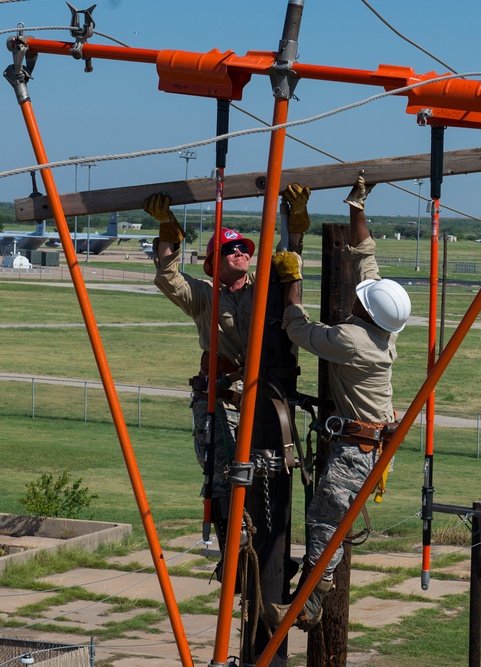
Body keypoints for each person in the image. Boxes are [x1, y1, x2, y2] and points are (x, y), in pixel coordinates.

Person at [268, 176, 411, 630]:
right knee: (324, 518)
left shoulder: (352, 339)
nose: (357, 292)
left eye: (361, 299)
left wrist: (292, 277)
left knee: (324, 522)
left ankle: (308, 605)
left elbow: (296, 326)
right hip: (362, 440)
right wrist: (357, 207)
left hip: (356, 449)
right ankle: (306, 588)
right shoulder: (380, 326)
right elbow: (365, 258)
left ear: (367, 311)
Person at [143, 183, 312, 558]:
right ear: (212, 263)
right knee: (222, 479)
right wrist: (167, 233)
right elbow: (170, 277)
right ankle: (232, 551)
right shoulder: (206, 296)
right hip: (222, 401)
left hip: (267, 396)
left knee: (269, 473)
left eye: (243, 249)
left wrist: (296, 220)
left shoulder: (265, 286)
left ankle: (269, 554)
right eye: (229, 249)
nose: (239, 252)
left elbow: (290, 261)